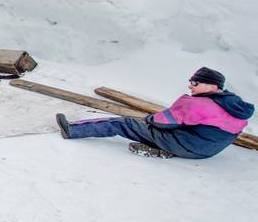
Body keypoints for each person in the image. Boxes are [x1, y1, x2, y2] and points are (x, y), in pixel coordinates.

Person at [56, 67, 253, 159]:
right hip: (208, 151)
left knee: (123, 123)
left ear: (212, 85)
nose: (190, 86)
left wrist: (148, 120)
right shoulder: (234, 103)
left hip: (187, 146)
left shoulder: (197, 104)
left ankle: (71, 130)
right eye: (191, 82)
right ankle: (165, 148)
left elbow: (162, 121)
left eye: (195, 83)